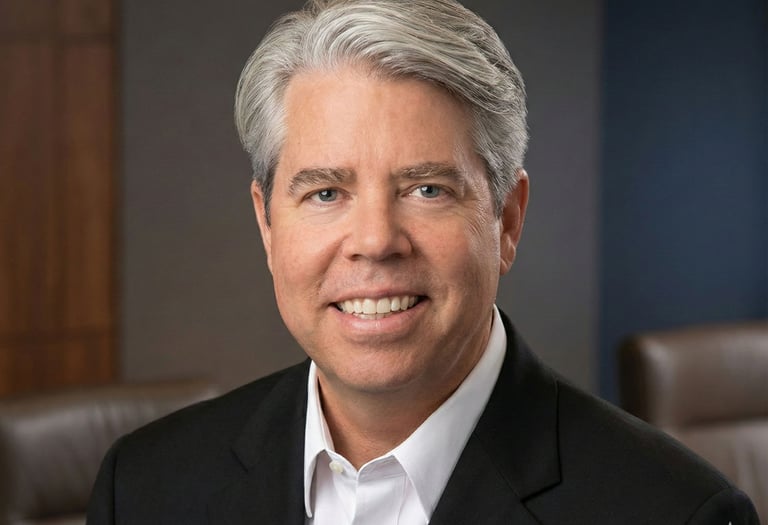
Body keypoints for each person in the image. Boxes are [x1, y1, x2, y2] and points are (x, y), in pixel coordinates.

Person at [87, 0, 759, 523]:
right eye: (326, 192)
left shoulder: (675, 515)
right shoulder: (144, 488)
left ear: (508, 219)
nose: (375, 240)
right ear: (267, 223)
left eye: (426, 188)